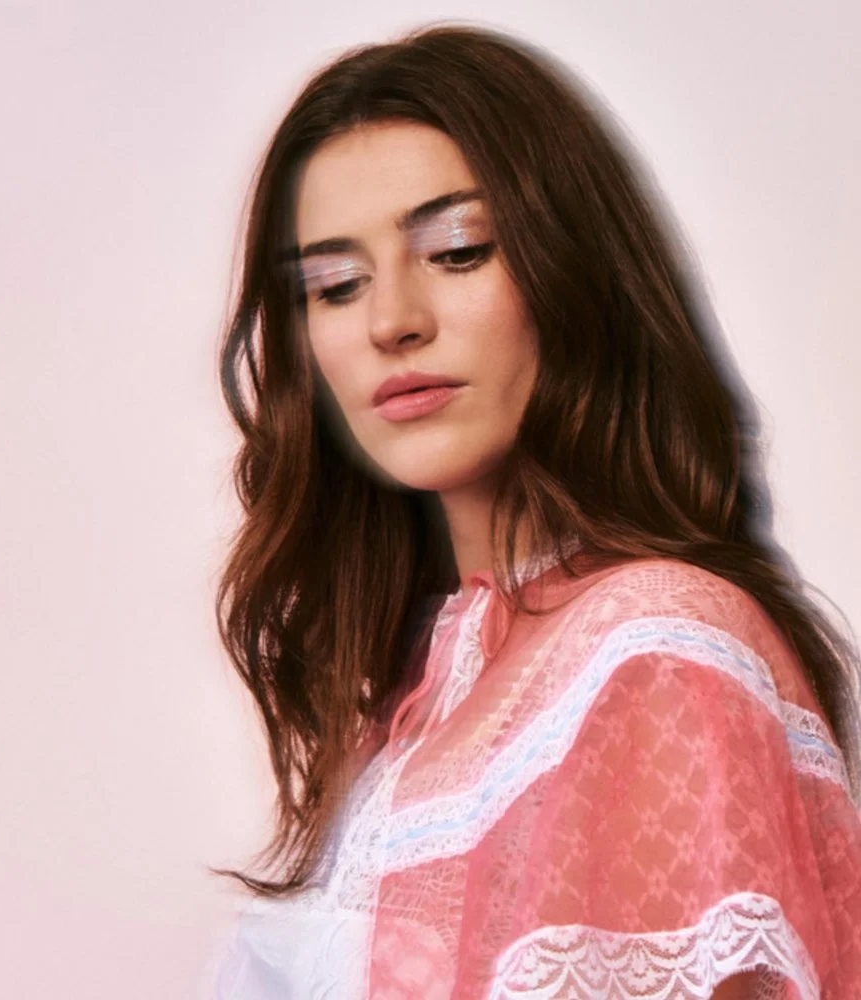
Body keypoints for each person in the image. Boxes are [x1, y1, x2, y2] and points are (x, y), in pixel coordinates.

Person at [208, 21, 861, 999]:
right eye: (335, 285)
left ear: (572, 275)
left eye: (457, 249)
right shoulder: (413, 706)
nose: (392, 319)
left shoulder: (653, 647)